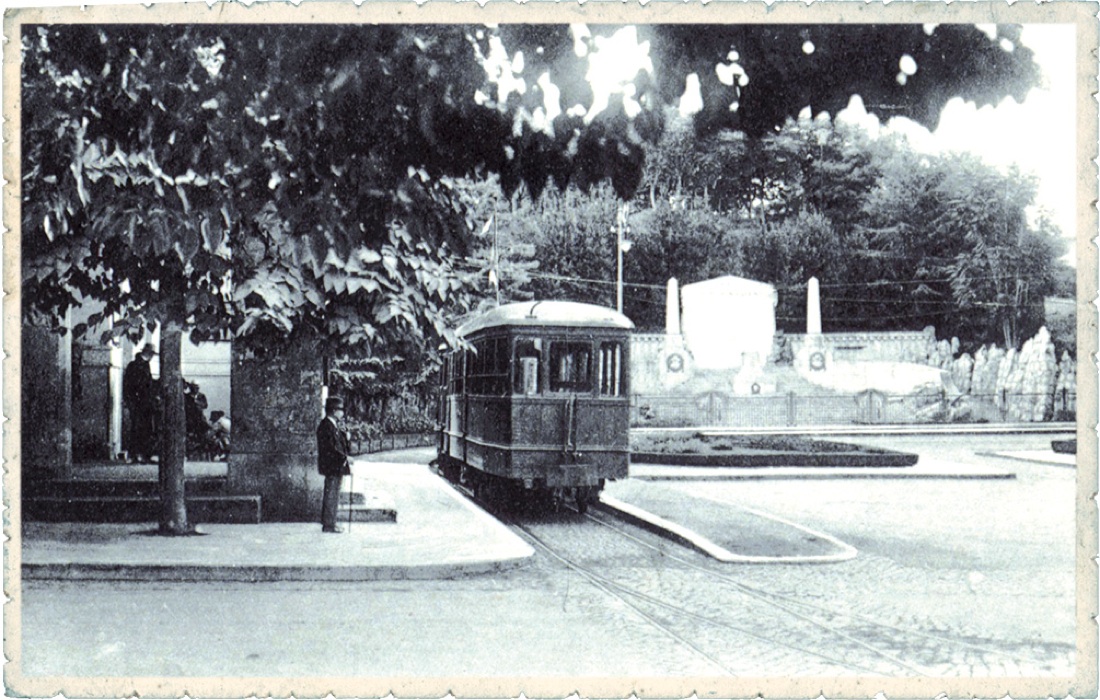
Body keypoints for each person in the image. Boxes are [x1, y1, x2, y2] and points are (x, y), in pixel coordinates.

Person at [316, 396, 351, 533]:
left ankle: (331, 522)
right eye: (341, 410)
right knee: (331, 494)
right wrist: (344, 458)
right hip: (332, 466)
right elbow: (331, 449)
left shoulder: (334, 426)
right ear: (334, 410)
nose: (342, 413)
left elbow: (342, 446)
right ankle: (329, 524)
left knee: (334, 494)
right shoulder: (326, 426)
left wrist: (346, 437)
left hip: (336, 466)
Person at [122, 344, 158, 463]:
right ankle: (136, 454)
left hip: (143, 403)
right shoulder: (136, 366)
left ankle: (141, 454)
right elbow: (132, 385)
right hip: (138, 402)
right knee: (138, 429)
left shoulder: (142, 365)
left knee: (143, 429)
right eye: (152, 354)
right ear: (149, 353)